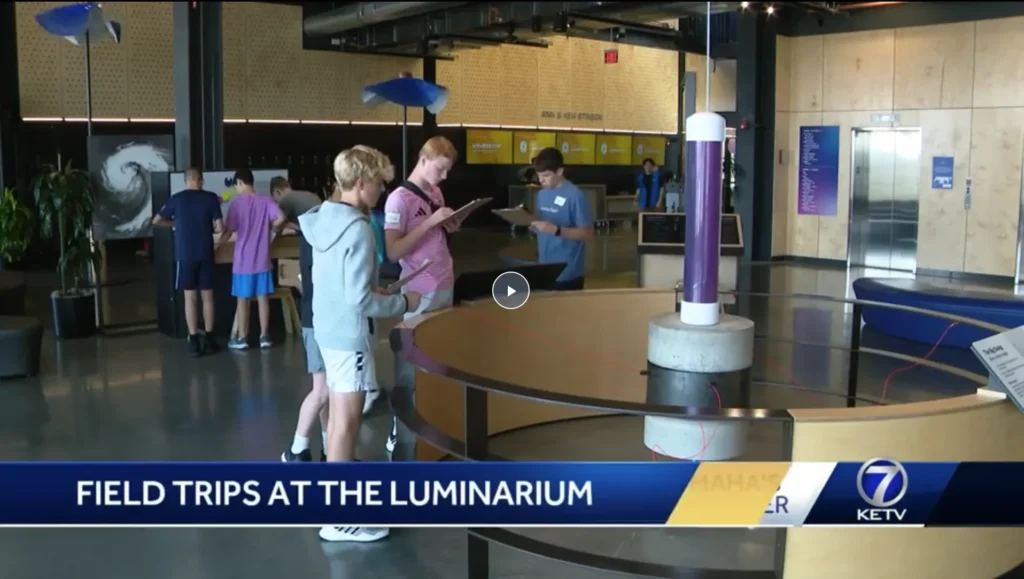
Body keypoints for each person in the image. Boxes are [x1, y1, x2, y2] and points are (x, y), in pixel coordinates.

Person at [299, 145, 421, 543]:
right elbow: (359, 300)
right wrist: (403, 300)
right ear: (361, 182)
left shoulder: (324, 218)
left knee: (338, 418)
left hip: (328, 329)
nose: (383, 192)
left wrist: (372, 288)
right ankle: (339, 519)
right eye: (380, 184)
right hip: (349, 333)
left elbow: (339, 284)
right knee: (347, 422)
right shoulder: (358, 228)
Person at [382, 136, 463, 453]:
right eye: (440, 169)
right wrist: (429, 222)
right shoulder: (398, 200)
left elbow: (434, 233)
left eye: (447, 172)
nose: (443, 178)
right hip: (419, 289)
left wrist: (447, 224)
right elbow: (392, 251)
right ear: (424, 159)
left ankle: (433, 418)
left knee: (439, 354)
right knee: (412, 359)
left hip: (445, 281)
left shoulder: (435, 191)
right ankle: (399, 426)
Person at [152, 167, 223, 357]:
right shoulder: (210, 198)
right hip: (206, 252)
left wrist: (175, 224)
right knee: (207, 297)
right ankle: (209, 338)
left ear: (185, 181)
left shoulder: (177, 199)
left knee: (189, 297)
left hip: (185, 255)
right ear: (201, 180)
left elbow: (156, 220)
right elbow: (219, 227)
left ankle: (193, 340)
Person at [223, 169, 286, 350]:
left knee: (243, 300)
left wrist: (219, 241)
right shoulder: (266, 200)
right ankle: (264, 336)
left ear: (241, 183)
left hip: (242, 261)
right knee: (263, 298)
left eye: (236, 185)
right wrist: (271, 229)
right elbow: (281, 218)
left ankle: (242, 338)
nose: (236, 189)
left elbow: (229, 229)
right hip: (262, 260)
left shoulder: (236, 203)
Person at [529, 147, 594, 291]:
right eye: (539, 176)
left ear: (559, 171)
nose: (541, 180)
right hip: (544, 267)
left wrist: (557, 230)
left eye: (545, 175)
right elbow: (542, 223)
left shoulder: (575, 196)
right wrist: (535, 226)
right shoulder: (542, 195)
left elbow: (587, 232)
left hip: (568, 272)